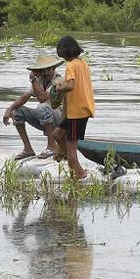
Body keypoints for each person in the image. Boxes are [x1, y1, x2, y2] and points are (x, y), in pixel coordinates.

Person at [3, 54, 65, 160]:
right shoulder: (39, 80)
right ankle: (28, 149)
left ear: (54, 68)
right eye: (43, 70)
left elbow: (43, 98)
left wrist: (33, 80)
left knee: (43, 107)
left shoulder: (59, 80)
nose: (45, 73)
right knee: (17, 111)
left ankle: (51, 146)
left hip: (61, 121)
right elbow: (25, 97)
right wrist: (10, 109)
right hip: (47, 118)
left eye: (48, 69)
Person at [53, 36, 95, 180]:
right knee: (56, 135)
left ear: (64, 50)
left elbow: (71, 86)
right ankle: (73, 163)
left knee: (71, 152)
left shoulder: (71, 65)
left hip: (77, 112)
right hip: (79, 110)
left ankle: (80, 173)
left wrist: (59, 88)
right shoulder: (83, 64)